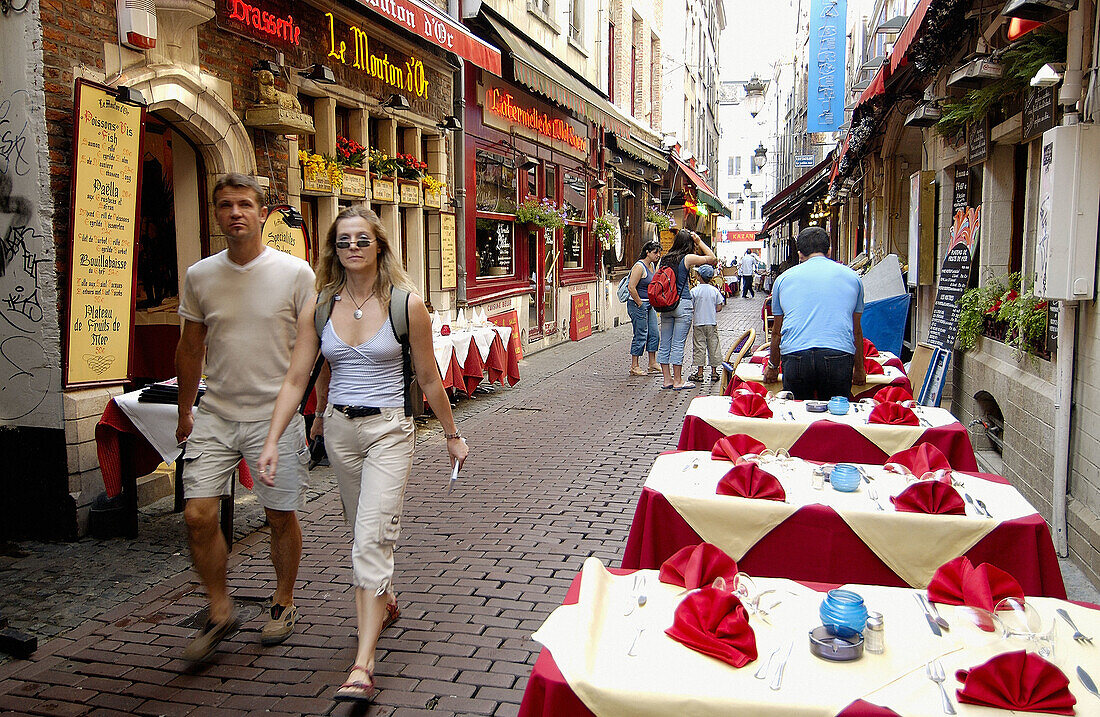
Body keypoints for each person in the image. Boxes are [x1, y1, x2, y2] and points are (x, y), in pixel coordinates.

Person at [258, 205, 468, 704]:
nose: (352, 248)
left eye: (362, 240)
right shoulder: (321, 303)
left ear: (379, 247)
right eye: (344, 241)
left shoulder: (405, 303)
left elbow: (429, 377)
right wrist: (273, 438)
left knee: (370, 542)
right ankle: (385, 598)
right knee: (361, 532)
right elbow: (299, 376)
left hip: (389, 430)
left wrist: (451, 434)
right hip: (339, 431)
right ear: (334, 250)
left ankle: (363, 663)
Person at [175, 173, 316, 662]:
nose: (235, 213)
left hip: (272, 416)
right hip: (216, 412)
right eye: (224, 206)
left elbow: (311, 347)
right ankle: (219, 609)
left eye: (244, 205)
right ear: (215, 215)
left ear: (262, 213)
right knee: (197, 514)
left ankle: (283, 600)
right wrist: (185, 411)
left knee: (279, 514)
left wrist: (307, 409)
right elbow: (190, 347)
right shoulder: (200, 276)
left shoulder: (296, 274)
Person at [763, 226, 866, 400]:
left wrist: (773, 366)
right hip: (839, 355)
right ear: (829, 251)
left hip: (796, 356)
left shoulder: (783, 280)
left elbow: (776, 332)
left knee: (797, 417)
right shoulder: (853, 278)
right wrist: (859, 368)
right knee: (835, 417)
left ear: (800, 253)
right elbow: (856, 330)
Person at [656, 229, 717, 390]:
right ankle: (678, 380)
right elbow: (712, 258)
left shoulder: (664, 259)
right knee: (678, 344)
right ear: (688, 244)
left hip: (666, 304)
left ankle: (667, 379)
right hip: (682, 303)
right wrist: (699, 241)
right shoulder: (687, 258)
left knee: (665, 343)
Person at [626, 241, 661, 376]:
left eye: (659, 252)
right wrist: (640, 303)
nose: (658, 255)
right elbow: (631, 287)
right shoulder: (639, 266)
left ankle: (652, 363)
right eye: (655, 252)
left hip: (649, 304)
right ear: (647, 252)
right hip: (637, 304)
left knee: (654, 333)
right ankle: (634, 365)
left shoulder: (652, 265)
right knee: (640, 334)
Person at [689, 264, 725, 383]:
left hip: (698, 322)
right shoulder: (714, 290)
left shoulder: (694, 291)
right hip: (711, 322)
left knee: (699, 347)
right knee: (713, 346)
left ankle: (700, 373)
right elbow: (719, 307)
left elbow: (691, 306)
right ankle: (714, 372)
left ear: (699, 276)